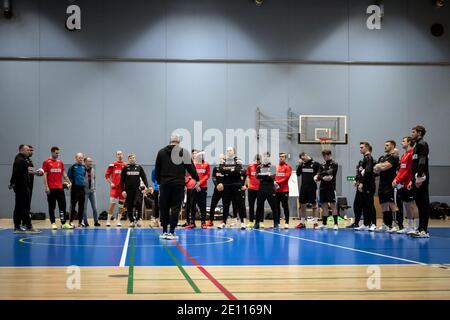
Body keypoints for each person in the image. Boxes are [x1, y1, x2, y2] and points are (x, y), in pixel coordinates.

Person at [155, 134, 199, 239]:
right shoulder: (184, 152)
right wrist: (196, 178)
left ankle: (164, 231)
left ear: (170, 141)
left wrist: (160, 181)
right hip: (178, 184)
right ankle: (172, 231)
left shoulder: (161, 152)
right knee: (175, 208)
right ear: (179, 142)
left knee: (164, 207)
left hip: (164, 184)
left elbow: (157, 170)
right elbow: (191, 168)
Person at [9, 145, 41, 234]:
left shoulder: (21, 159)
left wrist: (12, 184)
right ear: (21, 150)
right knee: (25, 207)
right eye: (27, 150)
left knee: (19, 206)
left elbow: (24, 171)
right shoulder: (20, 160)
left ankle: (17, 226)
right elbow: (15, 173)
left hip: (21, 186)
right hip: (22, 187)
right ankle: (29, 226)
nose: (29, 151)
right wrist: (12, 183)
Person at [392, 136, 419, 235]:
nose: (402, 142)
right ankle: (409, 226)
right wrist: (396, 179)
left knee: (412, 204)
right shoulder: (404, 155)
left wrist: (400, 179)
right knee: (406, 205)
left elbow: (409, 171)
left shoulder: (412, 153)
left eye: (403, 141)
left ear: (409, 142)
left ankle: (416, 227)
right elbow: (401, 170)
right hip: (402, 184)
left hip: (409, 183)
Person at [42, 146, 73, 230]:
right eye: (56, 153)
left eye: (58, 153)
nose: (58, 154)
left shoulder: (60, 162)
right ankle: (53, 223)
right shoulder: (46, 162)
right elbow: (44, 175)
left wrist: (69, 182)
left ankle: (64, 223)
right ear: (52, 152)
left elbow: (64, 174)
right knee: (52, 206)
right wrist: (46, 187)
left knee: (62, 206)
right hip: (51, 188)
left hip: (60, 188)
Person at [374, 140, 401, 232]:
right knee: (383, 205)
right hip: (382, 184)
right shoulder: (382, 157)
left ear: (393, 146)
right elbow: (376, 170)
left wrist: (379, 166)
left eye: (387, 145)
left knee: (392, 204)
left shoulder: (394, 157)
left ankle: (396, 225)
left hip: (390, 184)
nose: (385, 147)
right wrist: (379, 166)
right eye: (385, 145)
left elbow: (385, 167)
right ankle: (386, 224)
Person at [217, 147, 246, 230]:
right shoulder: (223, 161)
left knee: (239, 204)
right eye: (227, 150)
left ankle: (242, 222)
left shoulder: (238, 160)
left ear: (234, 152)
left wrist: (227, 170)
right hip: (226, 185)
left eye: (230, 150)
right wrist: (231, 170)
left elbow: (238, 170)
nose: (228, 152)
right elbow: (221, 170)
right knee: (226, 204)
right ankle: (224, 222)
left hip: (236, 185)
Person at [410, 125, 431, 238]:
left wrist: (419, 176)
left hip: (421, 179)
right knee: (419, 203)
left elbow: (422, 161)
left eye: (413, 132)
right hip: (416, 178)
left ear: (420, 133)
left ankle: (424, 231)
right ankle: (420, 228)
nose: (412, 134)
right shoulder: (416, 146)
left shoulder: (422, 144)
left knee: (423, 204)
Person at [120, 154, 150, 227]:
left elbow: (144, 177)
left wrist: (147, 187)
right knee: (129, 205)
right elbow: (121, 181)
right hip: (128, 190)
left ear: (135, 159)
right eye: (130, 158)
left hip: (137, 190)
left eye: (133, 158)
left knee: (139, 203)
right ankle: (131, 221)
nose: (132, 159)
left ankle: (138, 219)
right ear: (128, 159)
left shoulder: (139, 167)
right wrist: (123, 190)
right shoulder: (125, 168)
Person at [354, 142, 377, 232]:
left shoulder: (369, 158)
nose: (360, 149)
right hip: (363, 185)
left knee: (370, 205)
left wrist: (362, 183)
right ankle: (366, 224)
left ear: (367, 148)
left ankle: (374, 224)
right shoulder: (364, 159)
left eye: (362, 147)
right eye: (359, 147)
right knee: (364, 205)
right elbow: (361, 172)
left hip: (368, 186)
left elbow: (367, 172)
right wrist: (357, 180)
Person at [315, 150, 339, 230]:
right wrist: (320, 177)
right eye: (324, 156)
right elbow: (319, 174)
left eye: (326, 155)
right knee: (324, 205)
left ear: (330, 155)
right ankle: (324, 224)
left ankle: (335, 224)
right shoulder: (322, 164)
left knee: (332, 205)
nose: (325, 157)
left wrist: (320, 176)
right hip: (322, 188)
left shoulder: (334, 164)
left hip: (331, 187)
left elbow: (329, 173)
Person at [295, 152, 320, 229]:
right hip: (303, 187)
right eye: (302, 159)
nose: (303, 160)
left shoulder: (315, 164)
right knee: (302, 204)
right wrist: (299, 165)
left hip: (312, 187)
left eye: (303, 158)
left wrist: (317, 177)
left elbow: (320, 173)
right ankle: (302, 223)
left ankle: (315, 223)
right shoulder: (302, 164)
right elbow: (298, 174)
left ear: (306, 155)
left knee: (314, 204)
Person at [254, 152, 279, 229]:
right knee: (259, 206)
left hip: (270, 189)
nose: (265, 158)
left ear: (269, 157)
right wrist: (266, 174)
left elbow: (271, 177)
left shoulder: (273, 167)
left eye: (267, 157)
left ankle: (276, 223)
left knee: (274, 207)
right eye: (264, 157)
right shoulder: (259, 167)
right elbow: (257, 176)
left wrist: (262, 175)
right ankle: (257, 223)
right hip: (261, 189)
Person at [187, 151, 210, 229]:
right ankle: (192, 222)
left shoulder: (206, 164)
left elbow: (207, 175)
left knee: (202, 205)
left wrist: (199, 183)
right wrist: (196, 184)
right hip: (194, 187)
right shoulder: (192, 164)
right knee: (192, 204)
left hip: (203, 188)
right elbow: (189, 175)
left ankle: (203, 222)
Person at [105, 151, 127, 227]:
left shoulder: (126, 165)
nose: (120, 155)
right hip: (114, 189)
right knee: (112, 204)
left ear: (122, 155)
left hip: (122, 189)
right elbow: (107, 176)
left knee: (121, 206)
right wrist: (111, 183)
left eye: (121, 154)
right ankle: (108, 221)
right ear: (116, 156)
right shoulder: (112, 164)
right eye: (118, 154)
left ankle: (118, 221)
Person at [68, 153, 86, 228]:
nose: (81, 159)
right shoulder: (72, 167)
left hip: (82, 188)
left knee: (81, 206)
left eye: (82, 158)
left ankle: (80, 222)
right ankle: (71, 222)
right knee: (73, 206)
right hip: (75, 189)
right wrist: (70, 184)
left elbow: (83, 176)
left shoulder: (83, 167)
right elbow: (69, 177)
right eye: (79, 158)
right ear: (76, 158)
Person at [207, 154, 226, 227]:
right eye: (220, 158)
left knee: (225, 205)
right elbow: (213, 177)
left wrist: (223, 185)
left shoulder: (227, 168)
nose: (221, 159)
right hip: (217, 189)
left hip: (225, 189)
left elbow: (228, 178)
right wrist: (217, 185)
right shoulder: (216, 168)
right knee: (213, 204)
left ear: (225, 159)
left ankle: (224, 220)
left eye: (222, 158)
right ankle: (211, 220)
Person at [275, 152, 292, 229]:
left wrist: (277, 182)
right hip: (276, 190)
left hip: (284, 190)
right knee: (276, 206)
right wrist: (274, 182)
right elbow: (273, 176)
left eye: (283, 156)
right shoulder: (276, 167)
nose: (281, 158)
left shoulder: (288, 167)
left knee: (285, 206)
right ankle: (277, 222)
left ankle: (287, 222)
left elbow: (286, 178)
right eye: (280, 156)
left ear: (285, 158)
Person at [83, 157, 100, 227]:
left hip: (92, 191)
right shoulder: (82, 169)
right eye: (89, 161)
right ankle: (85, 222)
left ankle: (96, 221)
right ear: (85, 162)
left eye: (91, 161)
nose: (90, 163)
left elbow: (93, 179)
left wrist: (94, 187)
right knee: (84, 208)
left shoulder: (93, 169)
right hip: (85, 192)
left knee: (95, 208)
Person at [245, 155, 261, 228]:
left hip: (260, 189)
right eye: (256, 160)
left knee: (260, 206)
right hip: (251, 189)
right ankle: (251, 221)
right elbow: (248, 177)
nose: (257, 161)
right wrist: (248, 185)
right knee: (251, 206)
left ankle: (261, 221)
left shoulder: (262, 167)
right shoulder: (250, 166)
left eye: (258, 160)